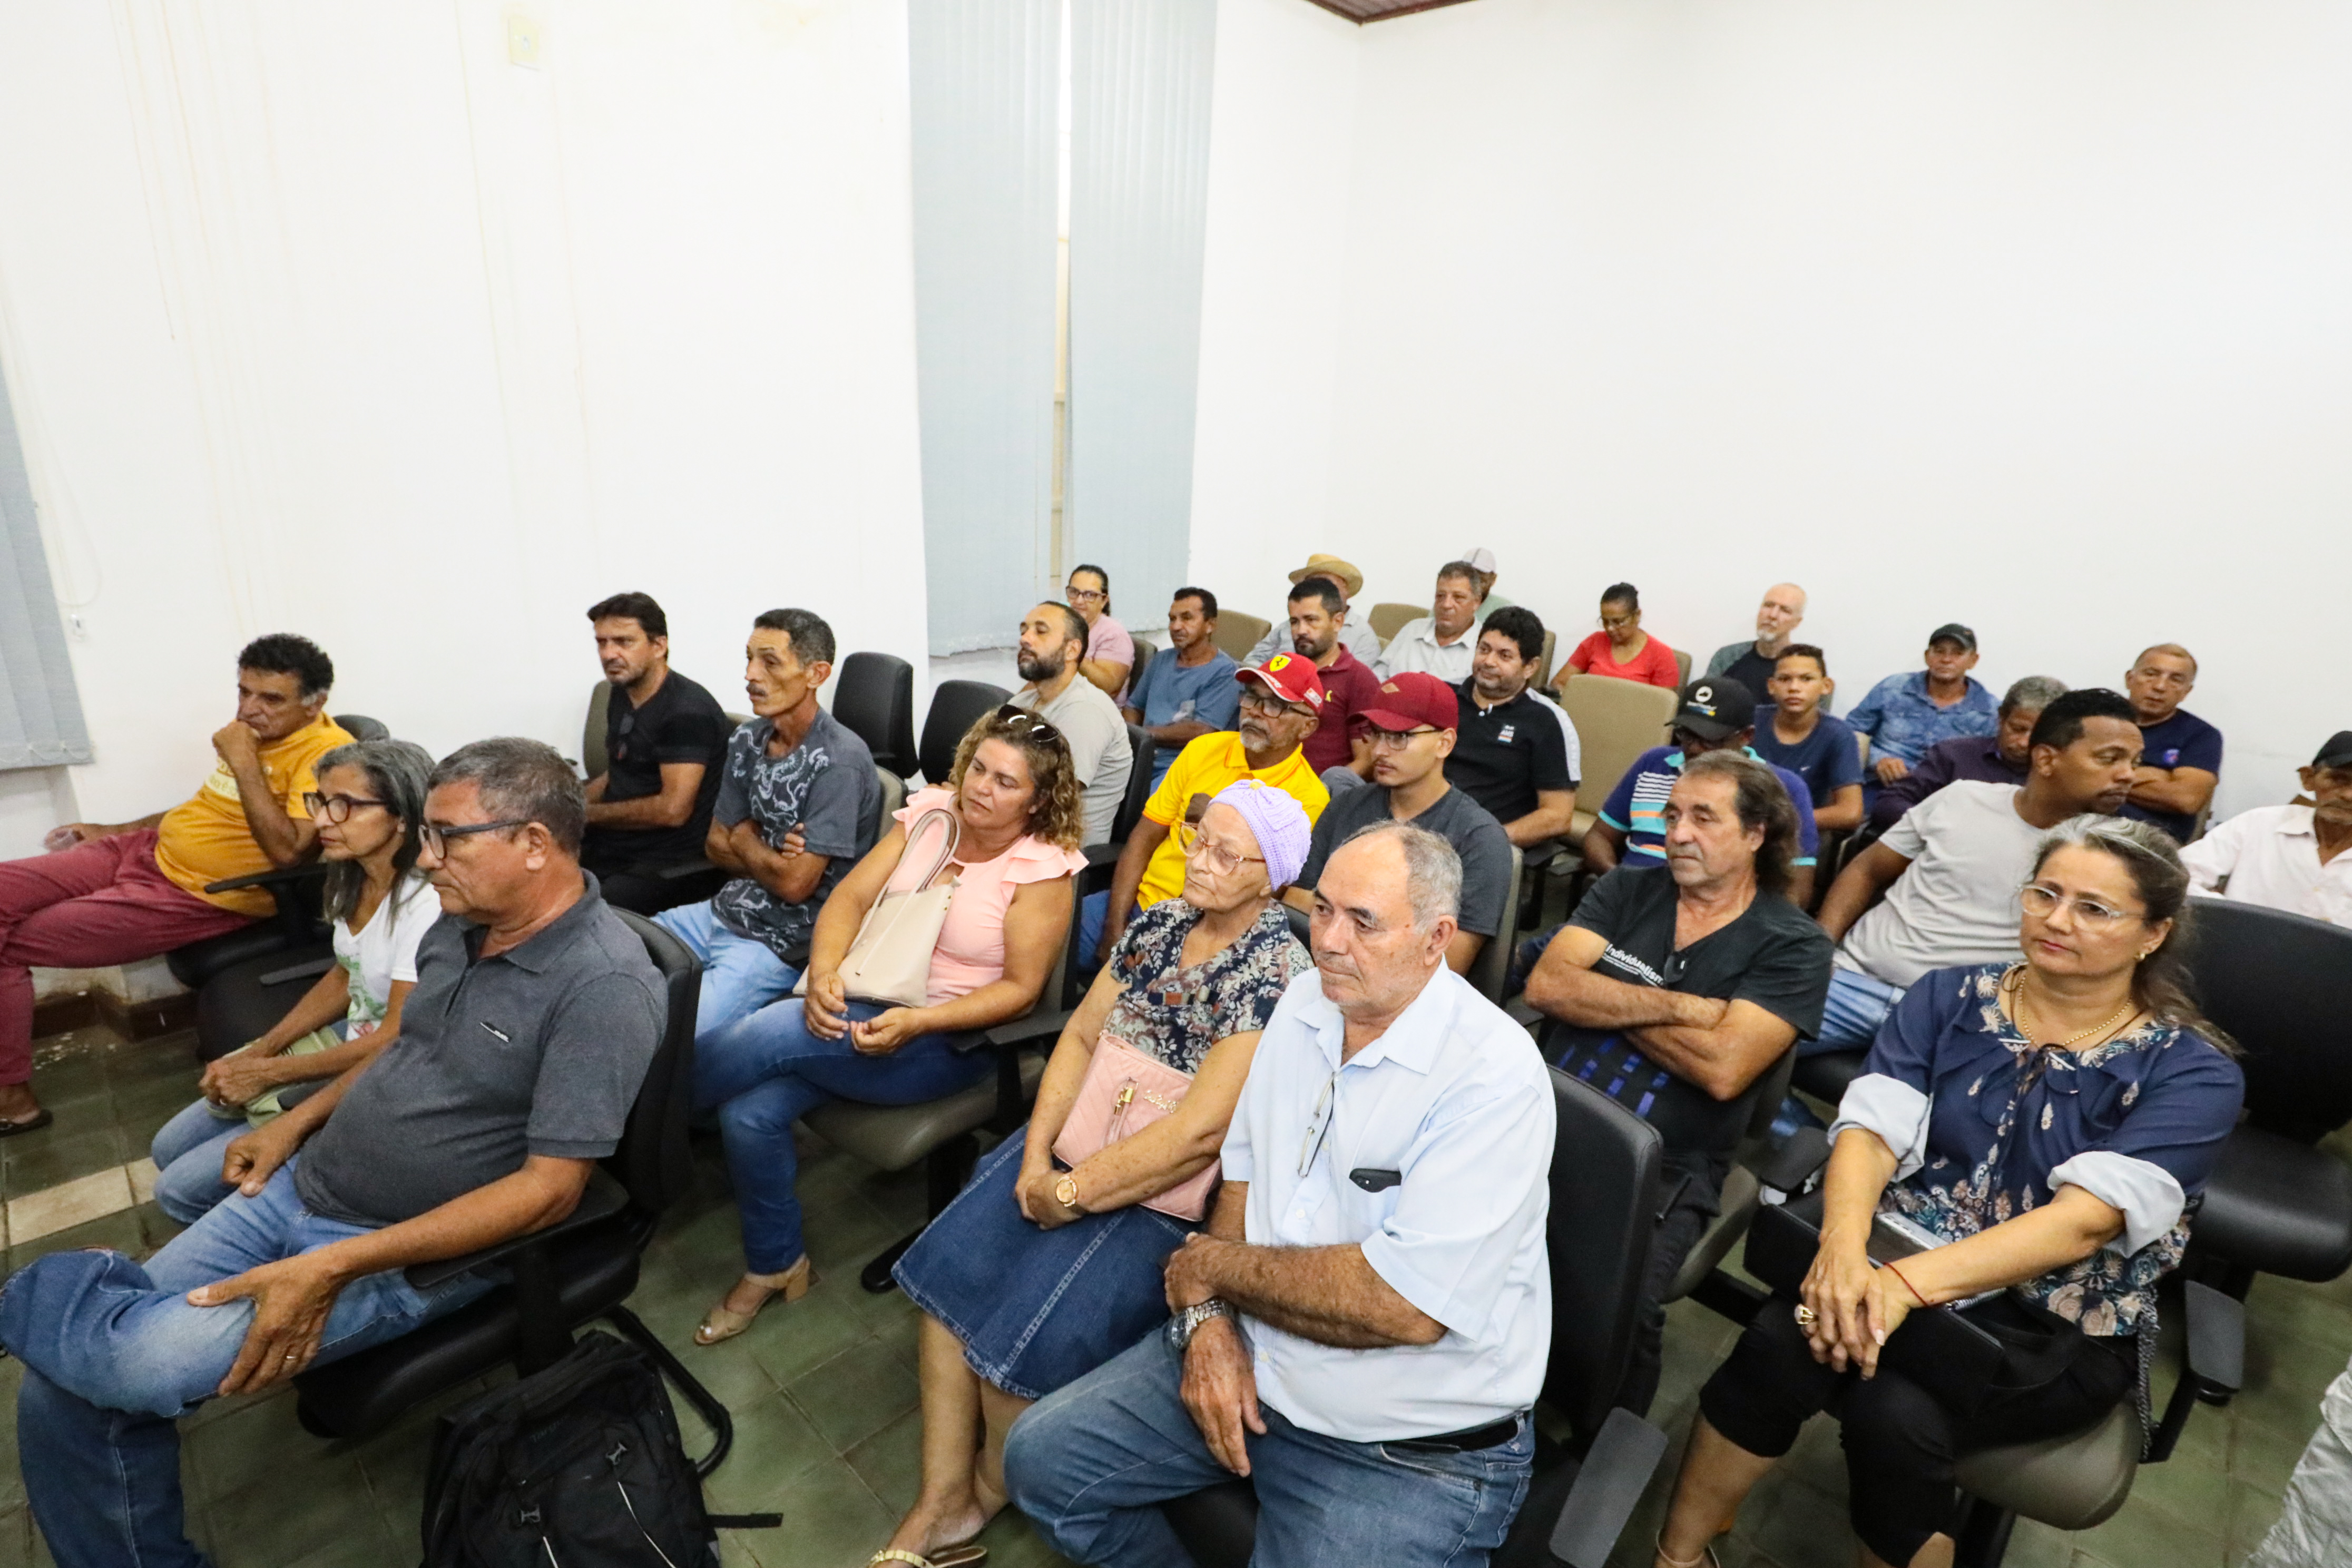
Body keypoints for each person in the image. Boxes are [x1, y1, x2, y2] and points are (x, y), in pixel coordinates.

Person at [1, 738, 665, 1568]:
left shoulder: (604, 987)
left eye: (448, 838)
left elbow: (550, 1192)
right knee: (58, 1396)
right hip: (301, 1184)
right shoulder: (462, 924)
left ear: (534, 843)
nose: (428, 858)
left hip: (391, 1251)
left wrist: (332, 1266)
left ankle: (33, 1295)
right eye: (425, 833)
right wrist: (293, 1125)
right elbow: (400, 1048)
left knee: (131, 1371)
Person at [1655, 817, 2242, 1568]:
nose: (2057, 920)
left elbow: (2083, 1224)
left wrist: (1897, 1289)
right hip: (1894, 1253)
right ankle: (1677, 1555)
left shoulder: (2193, 1073)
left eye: (2094, 909)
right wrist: (1841, 1254)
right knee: (1778, 1341)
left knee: (1894, 1413)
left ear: (2153, 934)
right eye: (2045, 894)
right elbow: (1871, 1132)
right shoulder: (1949, 996)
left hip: (2051, 1318)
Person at [1003, 823, 1554, 1568]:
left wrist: (1210, 1271)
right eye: (1322, 909)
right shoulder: (1303, 1003)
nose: (1328, 940)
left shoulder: (1494, 1079)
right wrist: (1209, 1322)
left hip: (1402, 1446)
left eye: (1363, 922)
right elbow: (1245, 1171)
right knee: (1041, 1463)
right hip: (1254, 1349)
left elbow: (1405, 1308)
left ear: (1437, 938)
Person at [875, 783, 1314, 1567]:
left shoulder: (1278, 972)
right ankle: (940, 1500)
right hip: (1075, 1143)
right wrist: (1036, 1153)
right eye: (1198, 838)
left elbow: (1198, 1134)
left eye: (1227, 855)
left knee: (1015, 1354)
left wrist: (1071, 1193)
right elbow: (1079, 1039)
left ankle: (985, 1490)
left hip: (1160, 1195)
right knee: (947, 1292)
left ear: (1272, 879)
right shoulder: (1161, 922)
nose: (1198, 860)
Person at [689, 707, 1088, 1345]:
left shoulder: (1041, 869)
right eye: (979, 769)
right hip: (867, 995)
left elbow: (1020, 993)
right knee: (748, 1114)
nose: (982, 787)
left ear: (1038, 801)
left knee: (772, 1032)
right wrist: (825, 973)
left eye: (1006, 782)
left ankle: (636, 1137)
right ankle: (777, 1264)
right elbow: (849, 898)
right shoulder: (930, 814)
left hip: (946, 1039)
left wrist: (919, 1022)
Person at [1526, 753, 1832, 1416]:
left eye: (1703, 818)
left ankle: (1603, 1437)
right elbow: (1548, 985)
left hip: (1664, 1163)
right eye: (1671, 816)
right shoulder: (1628, 888)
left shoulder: (1794, 944)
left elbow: (1724, 1069)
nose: (1678, 834)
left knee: (1615, 1308)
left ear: (1756, 835)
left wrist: (1604, 991)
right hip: (1537, 1115)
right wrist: (1686, 1007)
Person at [1, 635, 352, 1134]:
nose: (249, 709)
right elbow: (203, 809)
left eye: (271, 699)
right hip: (141, 851)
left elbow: (291, 853)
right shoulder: (254, 734)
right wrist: (112, 829)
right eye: (244, 692)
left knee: (9, 946)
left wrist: (244, 762)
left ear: (314, 703)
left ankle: (12, 1098)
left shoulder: (326, 755)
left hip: (191, 895)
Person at [148, 739, 441, 1223]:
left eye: (344, 805)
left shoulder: (425, 904)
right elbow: (345, 972)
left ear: (403, 818)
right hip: (351, 1039)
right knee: (167, 1146)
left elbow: (396, 1036)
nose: (322, 820)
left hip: (387, 1065)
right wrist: (262, 1050)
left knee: (178, 1192)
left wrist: (271, 1073)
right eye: (319, 801)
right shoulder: (354, 875)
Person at [1810, 688, 2144, 1056]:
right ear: (2046, 759)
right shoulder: (1962, 798)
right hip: (1853, 982)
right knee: (1754, 1045)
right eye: (2109, 758)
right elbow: (1867, 869)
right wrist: (1820, 948)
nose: (2128, 775)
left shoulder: (2112, 856)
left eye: (2135, 761)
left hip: (1963, 1019)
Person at [654, 610, 881, 1044]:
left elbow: (795, 885)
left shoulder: (838, 761)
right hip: (720, 912)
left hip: (778, 943)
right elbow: (714, 845)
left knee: (669, 1035)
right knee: (614, 956)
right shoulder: (747, 739)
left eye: (770, 662)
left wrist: (744, 836)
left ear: (816, 674)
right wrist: (770, 855)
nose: (750, 675)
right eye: (749, 659)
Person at [1091, 656, 1330, 966]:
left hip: (1205, 933)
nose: (1256, 711)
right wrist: (1114, 929)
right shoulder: (1204, 750)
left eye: (1275, 705)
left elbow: (1260, 895)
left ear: (1308, 726)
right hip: (1140, 900)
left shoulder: (1307, 799)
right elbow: (1144, 838)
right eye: (1252, 697)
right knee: (1044, 932)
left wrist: (1215, 818)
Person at [1290, 673, 1513, 976]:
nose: (1379, 750)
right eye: (1375, 734)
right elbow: (1297, 901)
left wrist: (1334, 917)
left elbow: (1449, 963)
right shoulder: (1346, 806)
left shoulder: (1478, 838)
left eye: (1399, 737)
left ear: (1445, 743)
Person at [1582, 678, 1822, 908]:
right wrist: (1620, 884)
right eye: (1686, 735)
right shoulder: (1653, 763)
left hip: (1719, 917)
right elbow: (1599, 837)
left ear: (1746, 737)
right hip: (1628, 902)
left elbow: (1797, 890)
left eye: (1709, 739)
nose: (1694, 748)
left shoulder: (1783, 787)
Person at [576, 591, 732, 913]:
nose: (609, 654)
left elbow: (672, 810)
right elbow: (618, 773)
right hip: (617, 844)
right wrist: (565, 804)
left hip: (669, 862)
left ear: (659, 646)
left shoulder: (686, 711)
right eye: (602, 643)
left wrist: (585, 814)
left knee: (580, 915)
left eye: (624, 642)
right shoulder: (622, 692)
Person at [2180, 731, 2352, 927]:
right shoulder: (2259, 824)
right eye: (2339, 779)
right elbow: (2177, 877)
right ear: (2308, 778)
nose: (2349, 795)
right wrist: (2231, 918)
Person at [1447, 607, 1581, 848]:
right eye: (1484, 650)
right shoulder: (1444, 696)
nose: (1489, 662)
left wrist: (1484, 839)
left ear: (1530, 667)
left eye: (1504, 656)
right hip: (1423, 825)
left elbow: (1558, 816)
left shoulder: (1547, 721)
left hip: (1489, 842)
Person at [1868, 676, 2068, 832]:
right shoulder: (1953, 755)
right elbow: (1891, 803)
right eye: (2017, 729)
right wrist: (1939, 829)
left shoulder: (2065, 774)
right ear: (2000, 719)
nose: (2024, 743)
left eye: (2037, 734)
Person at [1012, 601, 1134, 846]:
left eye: (1040, 631)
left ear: (1072, 650)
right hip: (1022, 829)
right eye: (1024, 630)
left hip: (1060, 847)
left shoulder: (1087, 710)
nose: (1025, 639)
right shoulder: (1025, 700)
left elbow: (1053, 796)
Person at [1846, 624, 1999, 807]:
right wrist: (1877, 759)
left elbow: (1992, 763)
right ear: (1927, 656)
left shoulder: (1989, 710)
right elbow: (1848, 732)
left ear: (1973, 660)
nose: (1946, 660)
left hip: (1944, 798)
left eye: (1957, 653)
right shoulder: (1893, 688)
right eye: (1939, 651)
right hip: (1882, 785)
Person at [1123, 586, 1240, 786]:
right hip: (1141, 756)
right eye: (1172, 619)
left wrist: (1142, 735)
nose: (1176, 627)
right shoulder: (1161, 660)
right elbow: (1133, 707)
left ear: (1210, 625)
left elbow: (1201, 732)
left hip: (1182, 767)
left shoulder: (1226, 673)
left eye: (1186, 618)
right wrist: (1132, 744)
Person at [1748, 645, 1863, 834]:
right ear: (1771, 686)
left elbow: (1851, 813)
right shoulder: (1750, 721)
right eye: (1784, 679)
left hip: (1797, 833)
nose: (1794, 688)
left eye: (1806, 679)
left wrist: (1777, 822)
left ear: (1826, 686)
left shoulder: (1838, 735)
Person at [2118, 643, 2222, 842]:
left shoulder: (2202, 735)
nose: (2160, 686)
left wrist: (2098, 775)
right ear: (2130, 679)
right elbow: (2064, 774)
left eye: (2175, 679)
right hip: (2083, 824)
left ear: (2187, 692)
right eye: (2151, 674)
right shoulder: (2097, 719)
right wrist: (2156, 776)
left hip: (2150, 839)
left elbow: (2187, 799)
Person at [1282, 577, 1383, 779]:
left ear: (1338, 622)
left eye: (1311, 620)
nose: (1301, 630)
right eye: (1295, 622)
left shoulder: (1359, 679)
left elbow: (1367, 761)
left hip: (1324, 791)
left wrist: (1321, 789)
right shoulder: (1283, 669)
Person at [1242, 553, 1383, 669]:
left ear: (1346, 589)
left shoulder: (1362, 634)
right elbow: (1254, 659)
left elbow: (1355, 683)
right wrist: (1265, 680)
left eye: (1327, 585)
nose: (1301, 629)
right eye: (1312, 585)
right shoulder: (1288, 625)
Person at [1374, 561, 1484, 683]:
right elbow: (1379, 674)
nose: (1446, 605)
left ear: (1476, 602)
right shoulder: (1413, 629)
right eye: (1441, 596)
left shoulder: (1484, 645)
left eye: (1458, 597)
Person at [1562, 582, 1680, 690]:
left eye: (1618, 622)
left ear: (1637, 615)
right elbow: (1560, 683)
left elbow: (1662, 704)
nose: (1610, 628)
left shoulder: (1662, 656)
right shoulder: (1594, 642)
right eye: (1605, 622)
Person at [1704, 583, 1808, 699]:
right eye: (1768, 606)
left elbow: (1814, 710)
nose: (1773, 615)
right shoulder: (1727, 656)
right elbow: (1704, 702)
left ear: (1797, 622)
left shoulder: (1806, 668)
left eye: (1785, 610)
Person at [1066, 564, 1136, 704]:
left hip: (1094, 710)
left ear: (1104, 601)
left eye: (1089, 595)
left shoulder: (1113, 634)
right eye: (1074, 592)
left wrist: (1071, 652)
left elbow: (1110, 688)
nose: (1079, 601)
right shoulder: (1067, 625)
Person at [1460, 545, 1513, 614]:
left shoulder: (1505, 609)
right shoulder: (1448, 604)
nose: (1473, 581)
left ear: (1493, 579)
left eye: (1480, 575)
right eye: (1467, 574)